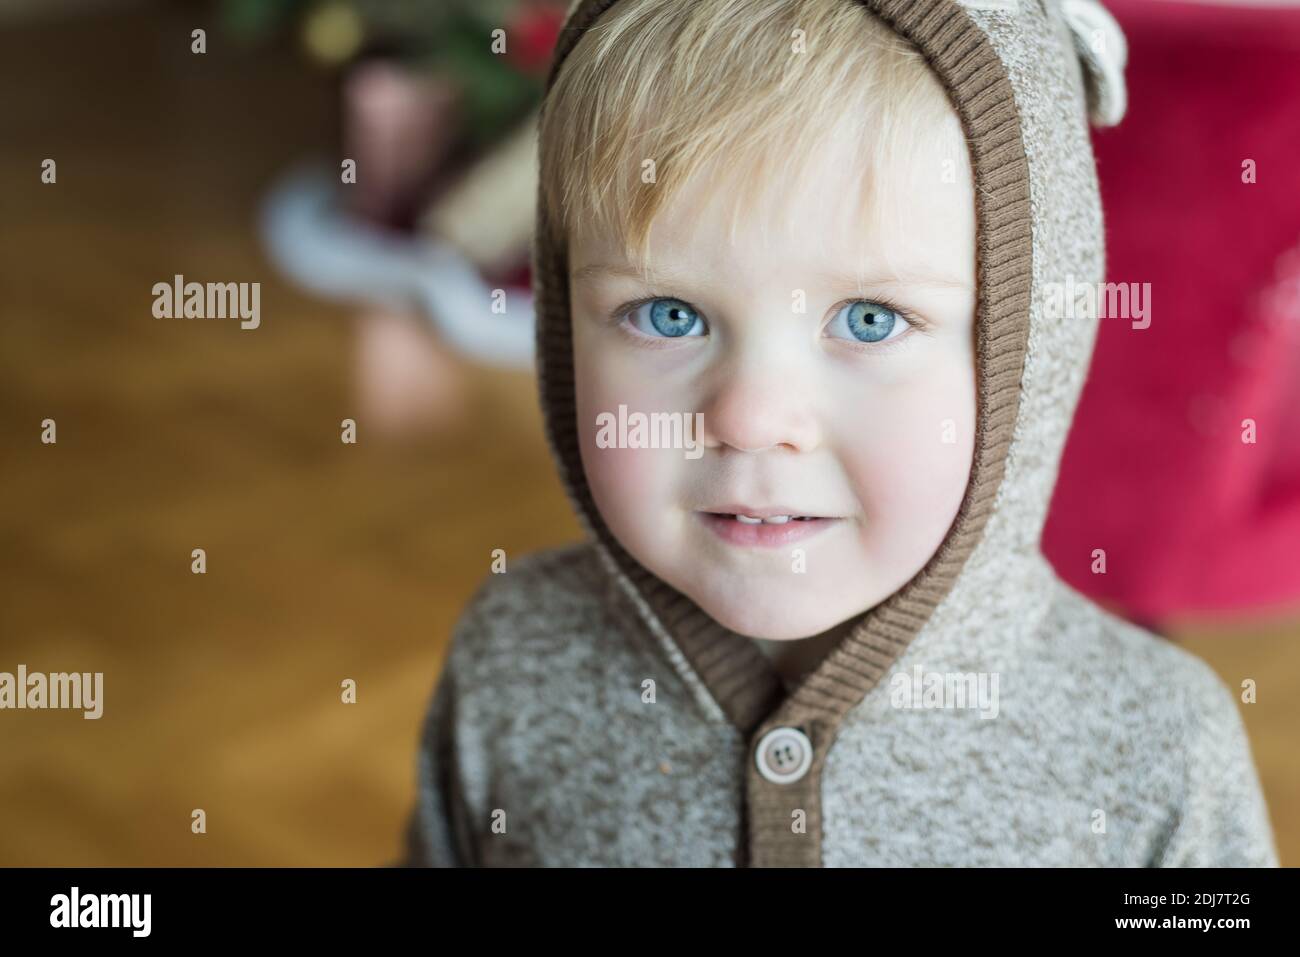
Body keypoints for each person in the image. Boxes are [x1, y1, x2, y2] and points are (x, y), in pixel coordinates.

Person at [403, 0, 1278, 866]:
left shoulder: (1157, 749)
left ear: (1026, 357)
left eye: (868, 320)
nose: (749, 418)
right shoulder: (511, 658)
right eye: (667, 313)